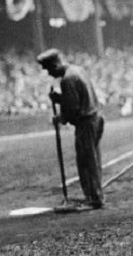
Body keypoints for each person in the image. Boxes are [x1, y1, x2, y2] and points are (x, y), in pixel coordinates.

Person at [36, 49, 105, 210]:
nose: (48, 73)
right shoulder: (77, 70)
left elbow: (72, 109)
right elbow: (75, 99)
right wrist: (60, 99)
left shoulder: (67, 79)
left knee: (87, 161)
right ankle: (94, 195)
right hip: (96, 118)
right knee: (93, 159)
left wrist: (60, 118)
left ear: (54, 65)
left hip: (86, 122)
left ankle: (94, 198)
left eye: (48, 69)